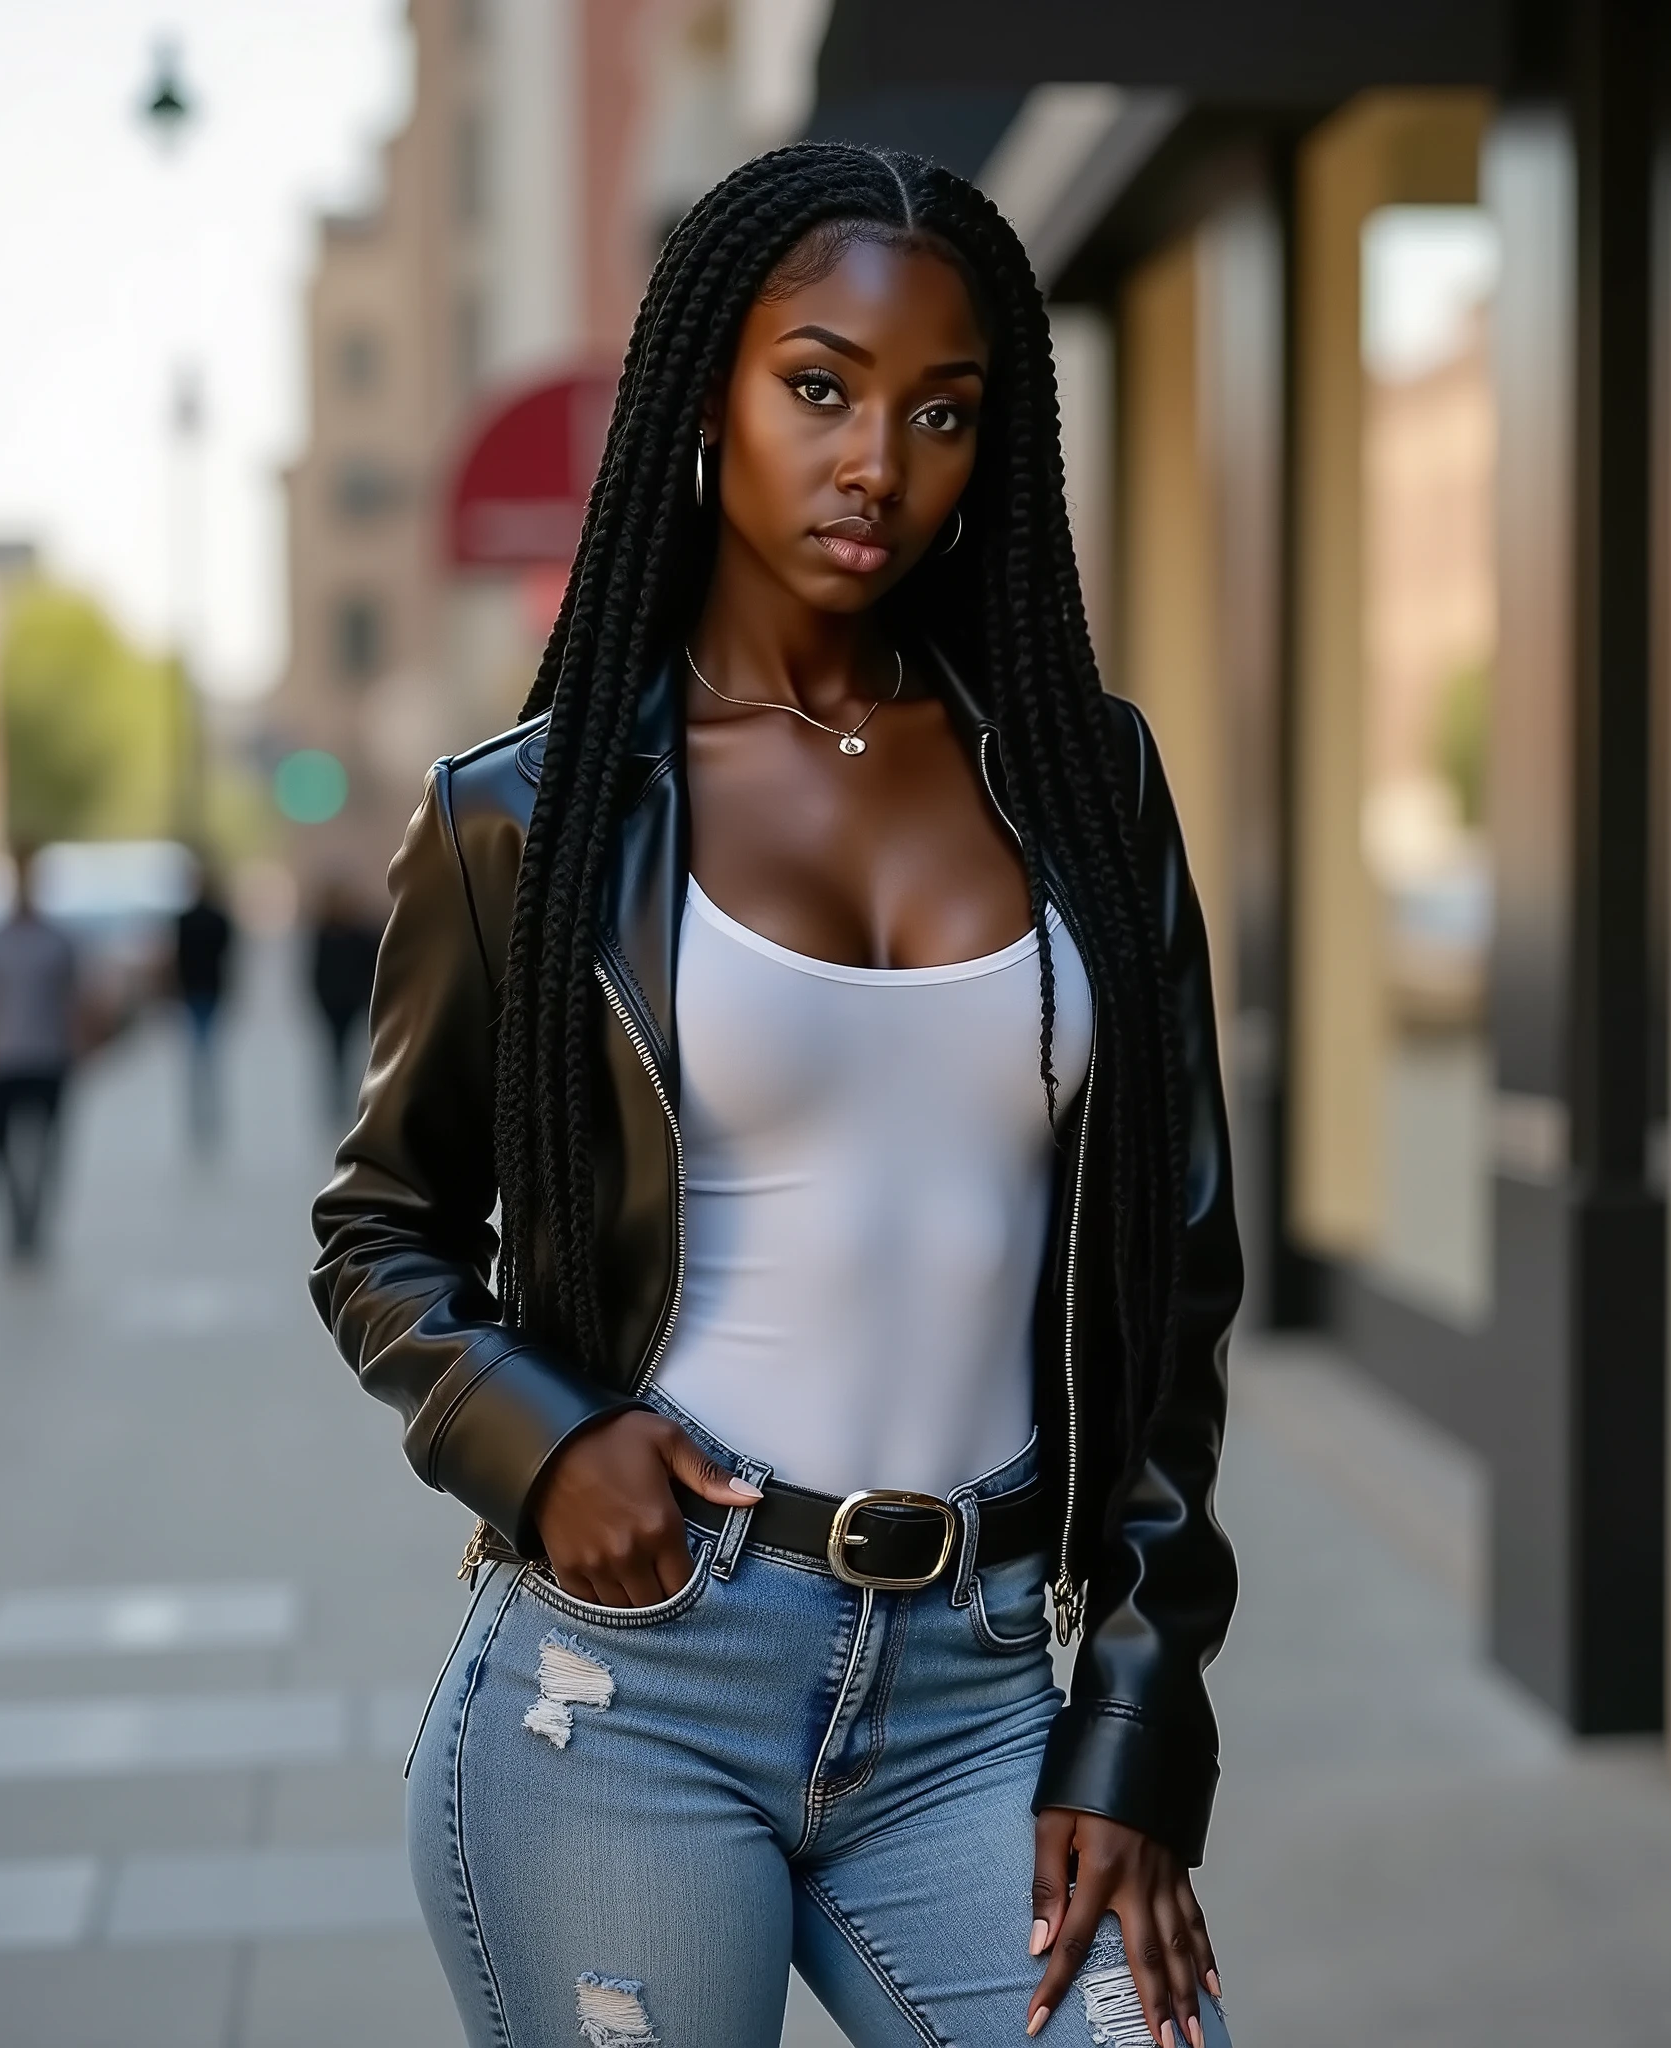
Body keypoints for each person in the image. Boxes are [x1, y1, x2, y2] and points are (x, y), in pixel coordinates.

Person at [311, 144, 1241, 2048]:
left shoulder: (1084, 778)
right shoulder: (523, 816)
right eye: (817, 386)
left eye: (941, 412)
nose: (875, 461)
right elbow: (379, 1230)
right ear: (701, 396)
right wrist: (538, 1440)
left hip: (982, 1682)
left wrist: (1137, 1712)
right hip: (629, 1691)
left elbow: (1175, 1272)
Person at [0, 849, 80, 1259]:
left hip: (47, 1057)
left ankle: (35, 1224)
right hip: (2, 1059)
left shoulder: (57, 941)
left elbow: (73, 1000)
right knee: (0, 1149)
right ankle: (15, 1223)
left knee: (46, 1150)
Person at [306, 881, 381, 1122]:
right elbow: (317, 969)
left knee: (352, 1051)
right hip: (332, 1002)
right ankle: (338, 1098)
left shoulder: (360, 935)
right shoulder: (324, 933)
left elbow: (372, 967)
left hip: (351, 1000)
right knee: (336, 1050)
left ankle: (352, 1096)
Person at [173, 865, 234, 1147]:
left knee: (198, 1048)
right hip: (209, 988)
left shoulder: (185, 919)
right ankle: (209, 1109)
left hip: (194, 989)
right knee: (207, 1047)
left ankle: (200, 1110)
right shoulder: (217, 919)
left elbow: (179, 957)